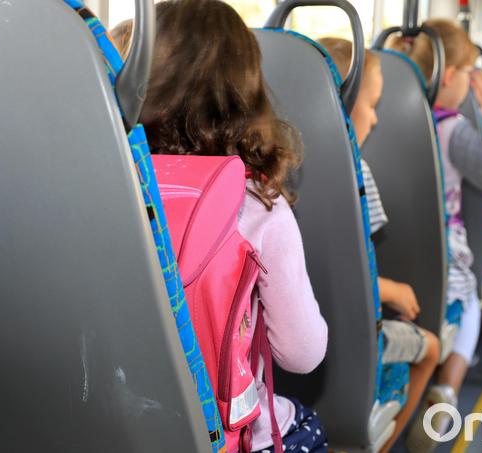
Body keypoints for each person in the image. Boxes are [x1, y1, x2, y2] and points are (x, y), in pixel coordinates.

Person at [126, 2, 330, 452]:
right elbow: (302, 352)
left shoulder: (117, 189)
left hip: (131, 422)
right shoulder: (259, 207)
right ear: (248, 94)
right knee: (306, 425)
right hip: (224, 436)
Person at [386, 19, 482, 451]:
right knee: (468, 305)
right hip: (443, 261)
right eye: (470, 75)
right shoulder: (450, 128)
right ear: (450, 76)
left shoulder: (386, 115)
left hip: (394, 255)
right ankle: (446, 394)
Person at [318, 37, 440, 453]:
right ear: (343, 105)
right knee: (431, 348)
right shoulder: (358, 174)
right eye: (371, 104)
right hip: (351, 344)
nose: (374, 118)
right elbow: (355, 277)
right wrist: (394, 291)